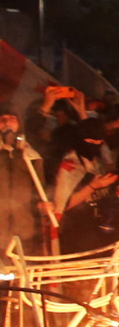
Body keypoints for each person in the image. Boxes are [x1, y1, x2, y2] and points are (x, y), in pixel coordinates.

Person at [0, 108, 52, 254]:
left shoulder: (31, 155)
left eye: (12, 119)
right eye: (2, 120)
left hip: (24, 226)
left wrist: (44, 204)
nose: (7, 123)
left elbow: (40, 188)